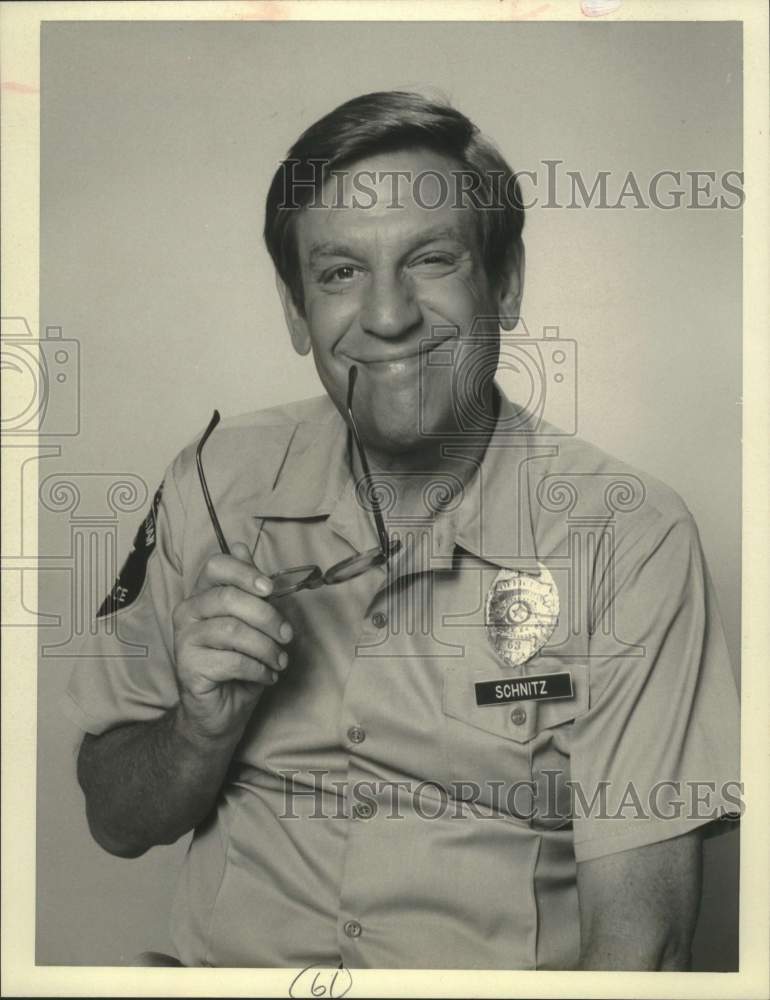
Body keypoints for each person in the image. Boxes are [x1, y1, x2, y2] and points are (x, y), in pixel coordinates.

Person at [66, 91, 740, 970]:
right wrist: (198, 729)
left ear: (505, 280)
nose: (388, 316)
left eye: (429, 260)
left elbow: (640, 950)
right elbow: (115, 821)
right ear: (296, 309)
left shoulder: (630, 539)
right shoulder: (212, 482)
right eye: (341, 272)